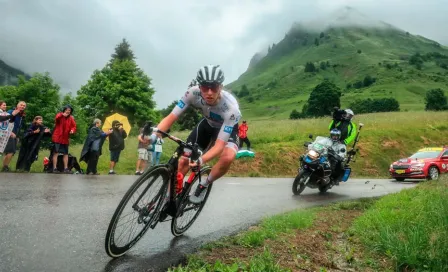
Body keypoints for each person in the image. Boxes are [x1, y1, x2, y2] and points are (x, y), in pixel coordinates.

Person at [151, 64, 241, 204]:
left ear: (220, 87)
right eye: (205, 87)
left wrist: (201, 160)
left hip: (228, 128)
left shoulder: (231, 109)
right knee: (183, 161)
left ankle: (203, 185)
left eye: (214, 87)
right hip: (207, 125)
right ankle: (168, 198)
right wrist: (154, 135)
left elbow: (218, 146)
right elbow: (171, 117)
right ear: (199, 87)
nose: (209, 92)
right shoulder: (192, 93)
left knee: (228, 157)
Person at [2, 101, 26, 172]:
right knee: (11, 151)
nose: (22, 106)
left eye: (24, 106)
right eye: (21, 105)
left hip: (15, 135)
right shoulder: (11, 111)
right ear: (17, 105)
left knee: (10, 152)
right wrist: (10, 132)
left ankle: (5, 166)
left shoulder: (21, 115)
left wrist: (17, 136)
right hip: (9, 133)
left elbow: (18, 126)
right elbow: (5, 121)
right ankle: (5, 167)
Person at [51, 105, 77, 174]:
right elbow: (56, 119)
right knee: (56, 153)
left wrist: (72, 130)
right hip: (57, 137)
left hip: (65, 138)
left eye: (69, 110)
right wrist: (62, 115)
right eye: (67, 110)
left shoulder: (71, 118)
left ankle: (66, 168)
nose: (68, 111)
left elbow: (74, 126)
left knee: (66, 154)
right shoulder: (59, 115)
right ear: (64, 110)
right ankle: (54, 168)